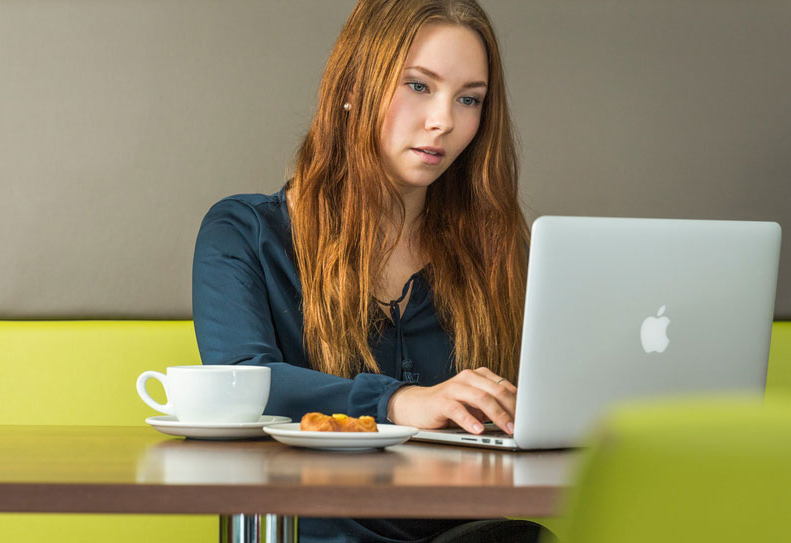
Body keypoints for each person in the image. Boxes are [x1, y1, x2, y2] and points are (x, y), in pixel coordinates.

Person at [192, 1, 545, 541]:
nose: (444, 121)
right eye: (419, 86)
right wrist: (398, 402)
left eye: (469, 99)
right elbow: (242, 382)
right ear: (354, 86)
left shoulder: (498, 248)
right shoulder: (244, 233)